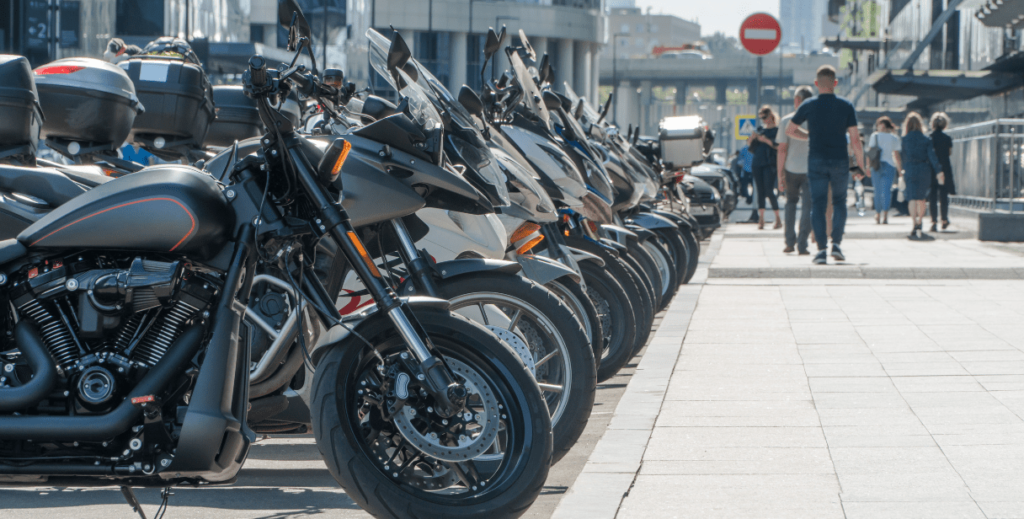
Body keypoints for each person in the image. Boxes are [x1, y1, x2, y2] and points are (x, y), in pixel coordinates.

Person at [786, 65, 865, 265]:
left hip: (816, 161)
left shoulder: (808, 105)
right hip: (840, 161)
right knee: (839, 202)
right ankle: (836, 244)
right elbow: (855, 140)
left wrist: (809, 136)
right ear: (835, 83)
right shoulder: (846, 106)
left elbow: (790, 130)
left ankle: (821, 250)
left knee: (818, 205)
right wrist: (860, 167)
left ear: (816, 83)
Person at [776, 86, 814, 254]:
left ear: (797, 100)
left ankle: (789, 242)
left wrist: (780, 174)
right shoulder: (816, 120)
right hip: (811, 170)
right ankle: (802, 244)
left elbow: (782, 150)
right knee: (808, 207)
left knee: (790, 204)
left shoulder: (787, 121)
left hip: (791, 169)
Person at [900, 112, 942, 240]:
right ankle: (920, 220)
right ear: (920, 124)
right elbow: (932, 156)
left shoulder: (904, 140)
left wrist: (902, 171)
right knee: (921, 198)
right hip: (924, 169)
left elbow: (902, 157)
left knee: (912, 198)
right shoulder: (926, 139)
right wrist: (939, 171)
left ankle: (914, 223)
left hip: (910, 169)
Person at [749, 106, 781, 229]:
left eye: (764, 117)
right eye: (761, 118)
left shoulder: (777, 130)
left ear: (770, 116)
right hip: (757, 163)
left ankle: (778, 218)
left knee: (769, 190)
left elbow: (778, 146)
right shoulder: (759, 129)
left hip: (769, 163)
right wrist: (752, 138)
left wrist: (766, 140)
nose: (763, 120)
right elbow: (750, 147)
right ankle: (761, 219)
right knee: (760, 191)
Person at [867, 116, 902, 224]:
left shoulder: (874, 136)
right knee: (886, 191)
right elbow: (896, 155)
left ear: (880, 125)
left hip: (876, 166)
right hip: (890, 165)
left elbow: (870, 153)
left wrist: (867, 167)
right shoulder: (894, 137)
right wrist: (900, 170)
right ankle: (885, 216)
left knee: (877, 191)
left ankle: (878, 214)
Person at [929, 112, 955, 231]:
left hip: (932, 169)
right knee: (943, 195)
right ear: (945, 124)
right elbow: (949, 153)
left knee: (933, 195)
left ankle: (934, 221)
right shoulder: (947, 138)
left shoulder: (929, 138)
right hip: (944, 168)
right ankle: (944, 219)